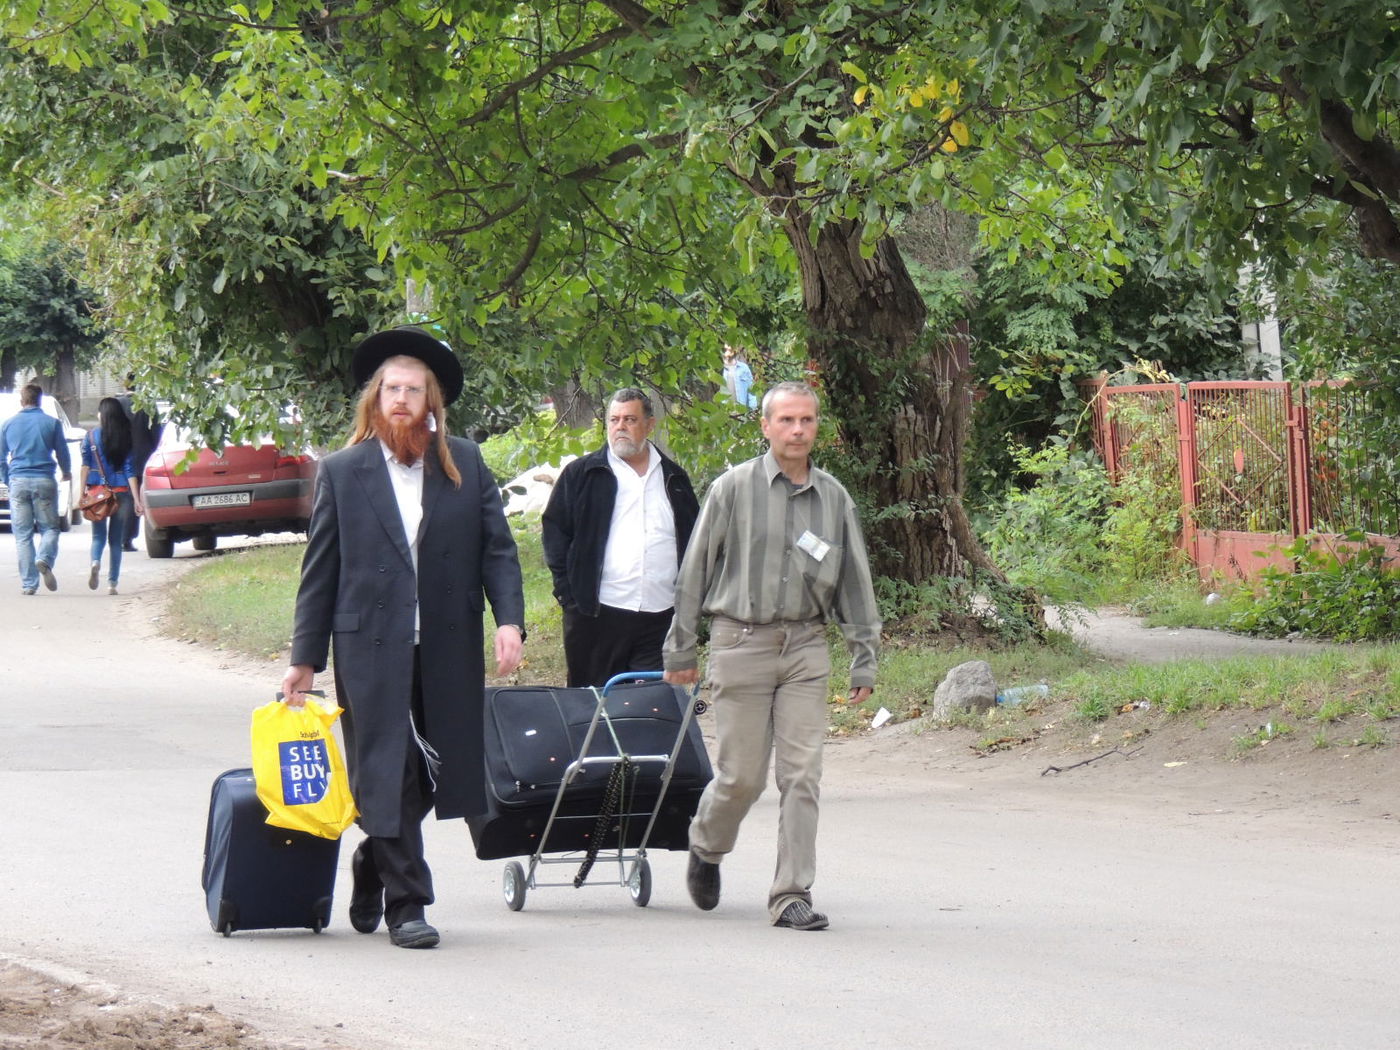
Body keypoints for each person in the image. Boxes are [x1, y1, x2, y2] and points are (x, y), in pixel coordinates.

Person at [279, 325, 526, 950]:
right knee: (383, 768)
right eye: (391, 388)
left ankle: (373, 859)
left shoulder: (464, 463)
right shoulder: (343, 470)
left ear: (431, 402)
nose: (401, 399)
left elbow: (498, 550)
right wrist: (304, 660)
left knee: (437, 770)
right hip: (369, 647)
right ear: (375, 397)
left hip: (445, 644)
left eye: (413, 390)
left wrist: (509, 621)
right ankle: (408, 902)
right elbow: (321, 571)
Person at [663, 380, 880, 932]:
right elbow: (695, 571)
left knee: (802, 775)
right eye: (786, 420)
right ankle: (707, 846)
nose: (798, 430)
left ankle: (791, 894)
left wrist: (864, 653)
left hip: (806, 646)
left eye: (806, 420)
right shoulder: (732, 489)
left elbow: (854, 579)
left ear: (816, 426)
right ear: (766, 426)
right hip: (740, 643)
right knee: (742, 778)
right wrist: (681, 646)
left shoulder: (833, 497)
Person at [542, 387, 699, 686]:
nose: (620, 428)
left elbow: (694, 539)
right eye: (614, 420)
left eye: (630, 419)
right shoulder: (583, 474)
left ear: (650, 425)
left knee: (649, 709)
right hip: (597, 616)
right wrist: (569, 595)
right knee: (594, 708)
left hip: (660, 615)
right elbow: (555, 532)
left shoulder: (674, 478)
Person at [0, 384, 72, 595]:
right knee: (50, 528)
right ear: (40, 400)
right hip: (44, 480)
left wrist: (8, 478)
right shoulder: (52, 423)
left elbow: (1, 458)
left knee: (22, 535)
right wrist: (66, 472)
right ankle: (45, 558)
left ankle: (29, 584)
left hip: (18, 481)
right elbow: (62, 451)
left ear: (22, 401)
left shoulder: (8, 425)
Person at [81, 397, 143, 595]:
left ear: (102, 415)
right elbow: (130, 471)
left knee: (97, 536)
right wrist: (137, 500)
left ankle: (95, 561)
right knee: (115, 541)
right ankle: (112, 583)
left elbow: (85, 465)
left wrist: (81, 491)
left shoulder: (90, 437)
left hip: (97, 493)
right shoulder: (126, 437)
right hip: (121, 493)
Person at [116, 375, 163, 551]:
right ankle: (126, 538)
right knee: (137, 497)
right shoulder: (147, 405)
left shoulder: (115, 405)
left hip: (118, 457)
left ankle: (122, 536)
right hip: (141, 458)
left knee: (124, 497)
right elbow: (156, 434)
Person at [722, 345, 756, 410]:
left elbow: (751, 389)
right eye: (725, 350)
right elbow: (723, 391)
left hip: (742, 409)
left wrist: (753, 408)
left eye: (729, 349)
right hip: (729, 411)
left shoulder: (743, 368)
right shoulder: (724, 370)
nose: (727, 352)